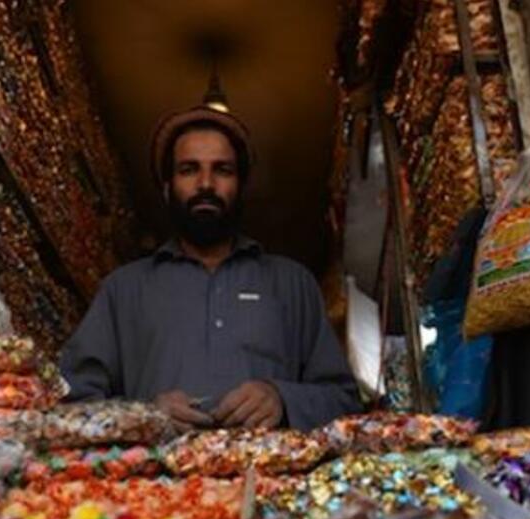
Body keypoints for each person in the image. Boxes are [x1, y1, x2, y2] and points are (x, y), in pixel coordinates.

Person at [60, 103, 361, 432]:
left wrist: (282, 399)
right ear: (167, 187)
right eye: (189, 169)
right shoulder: (122, 290)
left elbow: (343, 401)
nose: (206, 183)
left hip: (267, 481)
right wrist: (144, 416)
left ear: (241, 186)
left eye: (223, 170)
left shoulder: (292, 283)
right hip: (153, 482)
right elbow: (71, 404)